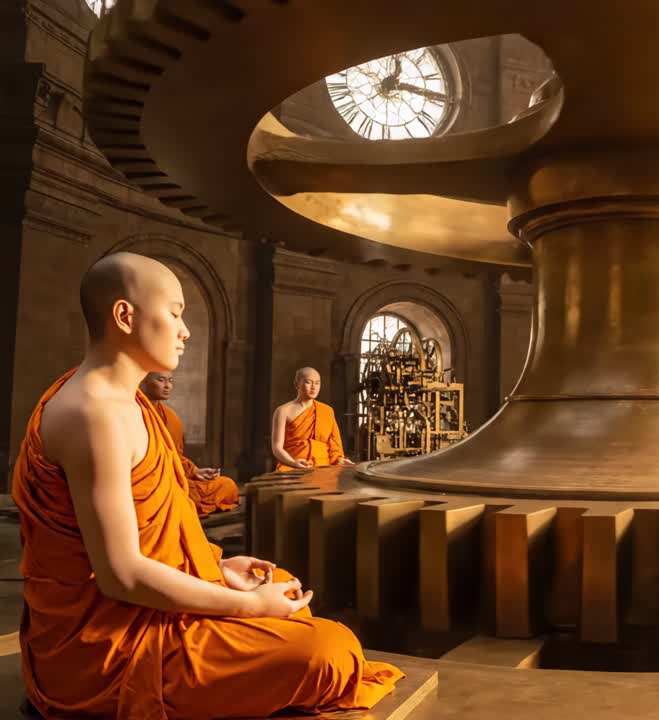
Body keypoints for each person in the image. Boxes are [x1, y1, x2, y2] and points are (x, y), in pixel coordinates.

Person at [12, 253, 402, 718]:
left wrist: (221, 568)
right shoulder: (92, 415)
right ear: (124, 315)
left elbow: (153, 532)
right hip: (109, 644)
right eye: (175, 312)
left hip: (136, 602)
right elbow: (122, 576)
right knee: (330, 651)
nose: (185, 330)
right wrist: (249, 608)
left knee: (281, 585)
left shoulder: (130, 405)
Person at [138, 371, 239, 516]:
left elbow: (176, 456)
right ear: (144, 381)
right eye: (161, 380)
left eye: (170, 381)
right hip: (149, 481)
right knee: (170, 495)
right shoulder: (134, 413)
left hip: (174, 477)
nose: (167, 386)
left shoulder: (171, 417)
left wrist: (196, 471)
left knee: (227, 485)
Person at [271, 367, 355, 471]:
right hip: (291, 467)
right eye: (308, 382)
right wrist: (293, 463)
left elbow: (334, 445)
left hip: (323, 468)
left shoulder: (327, 411)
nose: (313, 387)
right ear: (296, 384)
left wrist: (339, 460)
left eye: (317, 383)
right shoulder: (283, 411)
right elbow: (277, 448)